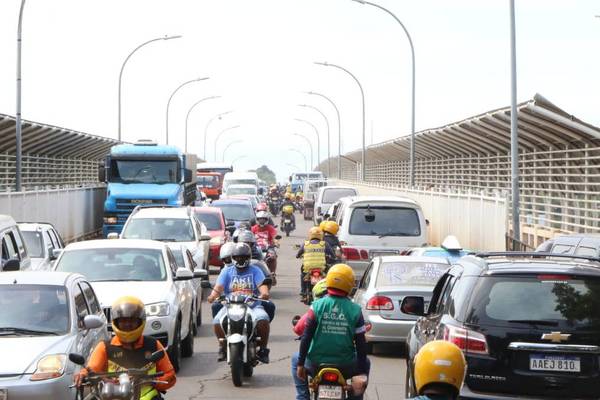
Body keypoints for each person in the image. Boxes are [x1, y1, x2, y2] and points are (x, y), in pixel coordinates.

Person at [74, 296, 176, 400]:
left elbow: (170, 376)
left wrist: (153, 382)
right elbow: (92, 368)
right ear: (116, 322)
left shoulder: (153, 345)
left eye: (132, 320)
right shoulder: (105, 347)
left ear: (140, 321)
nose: (127, 324)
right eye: (123, 320)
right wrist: (83, 375)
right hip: (112, 396)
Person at [296, 264, 368, 400]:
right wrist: (361, 373)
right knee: (367, 363)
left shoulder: (316, 306)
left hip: (315, 364)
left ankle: (303, 397)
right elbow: (361, 344)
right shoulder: (356, 310)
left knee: (295, 360)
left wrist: (300, 364)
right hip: (346, 365)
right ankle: (355, 397)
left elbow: (306, 336)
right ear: (349, 284)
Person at [207, 243, 272, 363]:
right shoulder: (227, 271)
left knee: (263, 319)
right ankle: (222, 346)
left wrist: (264, 293)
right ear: (233, 257)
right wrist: (212, 296)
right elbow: (219, 287)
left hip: (252, 305)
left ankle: (263, 349)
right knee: (217, 321)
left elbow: (262, 286)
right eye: (237, 257)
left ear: (248, 257)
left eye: (243, 257)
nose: (240, 259)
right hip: (230, 305)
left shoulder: (255, 270)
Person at [296, 227, 335, 301]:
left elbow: (298, 254)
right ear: (321, 235)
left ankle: (303, 291)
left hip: (307, 268)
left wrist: (298, 256)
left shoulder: (305, 244)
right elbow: (332, 254)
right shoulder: (324, 244)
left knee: (303, 275)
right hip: (321, 268)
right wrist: (333, 257)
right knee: (327, 276)